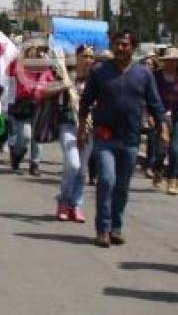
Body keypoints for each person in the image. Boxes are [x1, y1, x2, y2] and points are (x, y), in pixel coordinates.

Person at [79, 30, 167, 248]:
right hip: (104, 135)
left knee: (122, 186)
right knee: (107, 180)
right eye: (117, 44)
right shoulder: (100, 72)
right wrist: (82, 127)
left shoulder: (143, 74)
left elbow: (155, 104)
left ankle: (116, 227)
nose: (120, 48)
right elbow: (86, 102)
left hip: (130, 137)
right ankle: (103, 229)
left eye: (125, 45)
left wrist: (163, 128)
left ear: (133, 48)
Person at [40, 46, 94, 223]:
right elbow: (43, 90)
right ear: (77, 58)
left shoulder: (96, 80)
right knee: (73, 164)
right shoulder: (64, 75)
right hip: (69, 125)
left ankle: (75, 204)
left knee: (83, 170)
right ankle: (63, 200)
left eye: (91, 57)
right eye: (85, 56)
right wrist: (64, 86)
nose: (88, 60)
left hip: (89, 128)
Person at [6, 45, 46, 176]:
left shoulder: (41, 65)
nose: (31, 53)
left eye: (34, 51)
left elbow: (49, 78)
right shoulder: (17, 64)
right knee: (25, 135)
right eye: (28, 51)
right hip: (22, 103)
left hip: (39, 103)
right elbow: (9, 76)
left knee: (37, 136)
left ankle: (35, 164)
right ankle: (17, 155)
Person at [154, 47, 178, 195]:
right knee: (161, 150)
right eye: (169, 60)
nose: (172, 63)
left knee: (175, 149)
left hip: (176, 117)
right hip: (160, 116)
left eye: (174, 61)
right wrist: (151, 115)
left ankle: (173, 180)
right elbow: (150, 97)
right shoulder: (155, 77)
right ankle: (158, 168)